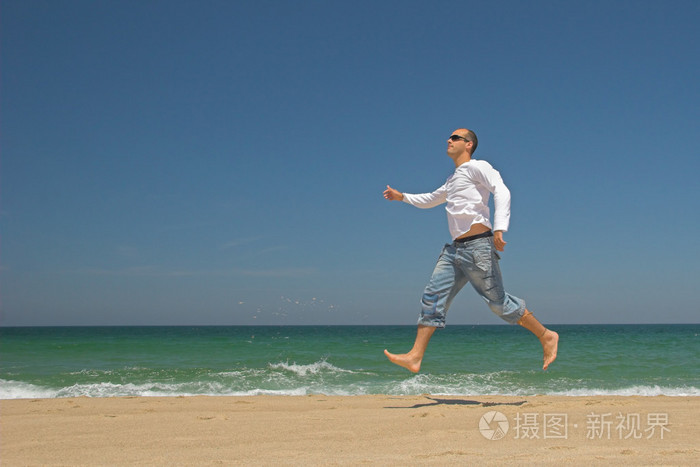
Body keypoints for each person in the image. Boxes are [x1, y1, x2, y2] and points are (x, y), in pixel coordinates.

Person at [383, 128, 558, 372]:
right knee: (432, 296)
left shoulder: (478, 167)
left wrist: (499, 228)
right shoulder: (453, 179)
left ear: (468, 144)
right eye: (449, 137)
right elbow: (432, 199)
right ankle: (415, 356)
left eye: (455, 137)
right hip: (455, 251)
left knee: (498, 304)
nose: (449, 140)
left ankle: (546, 335)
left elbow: (501, 190)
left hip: (479, 246)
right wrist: (402, 197)